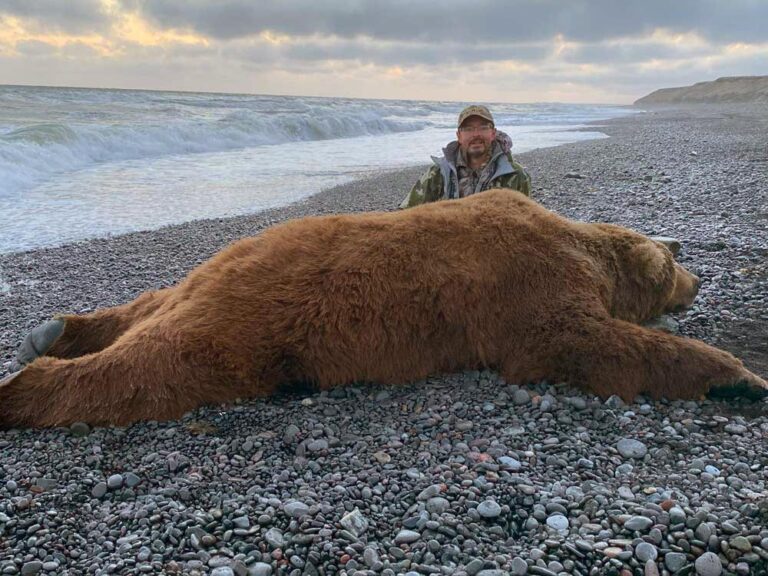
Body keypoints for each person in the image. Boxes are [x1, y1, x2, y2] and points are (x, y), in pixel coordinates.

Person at [400, 105, 531, 209]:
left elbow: (526, 221)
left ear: (493, 133)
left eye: (483, 128)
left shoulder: (516, 175)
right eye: (468, 129)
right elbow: (406, 214)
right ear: (459, 136)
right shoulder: (438, 174)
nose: (476, 134)